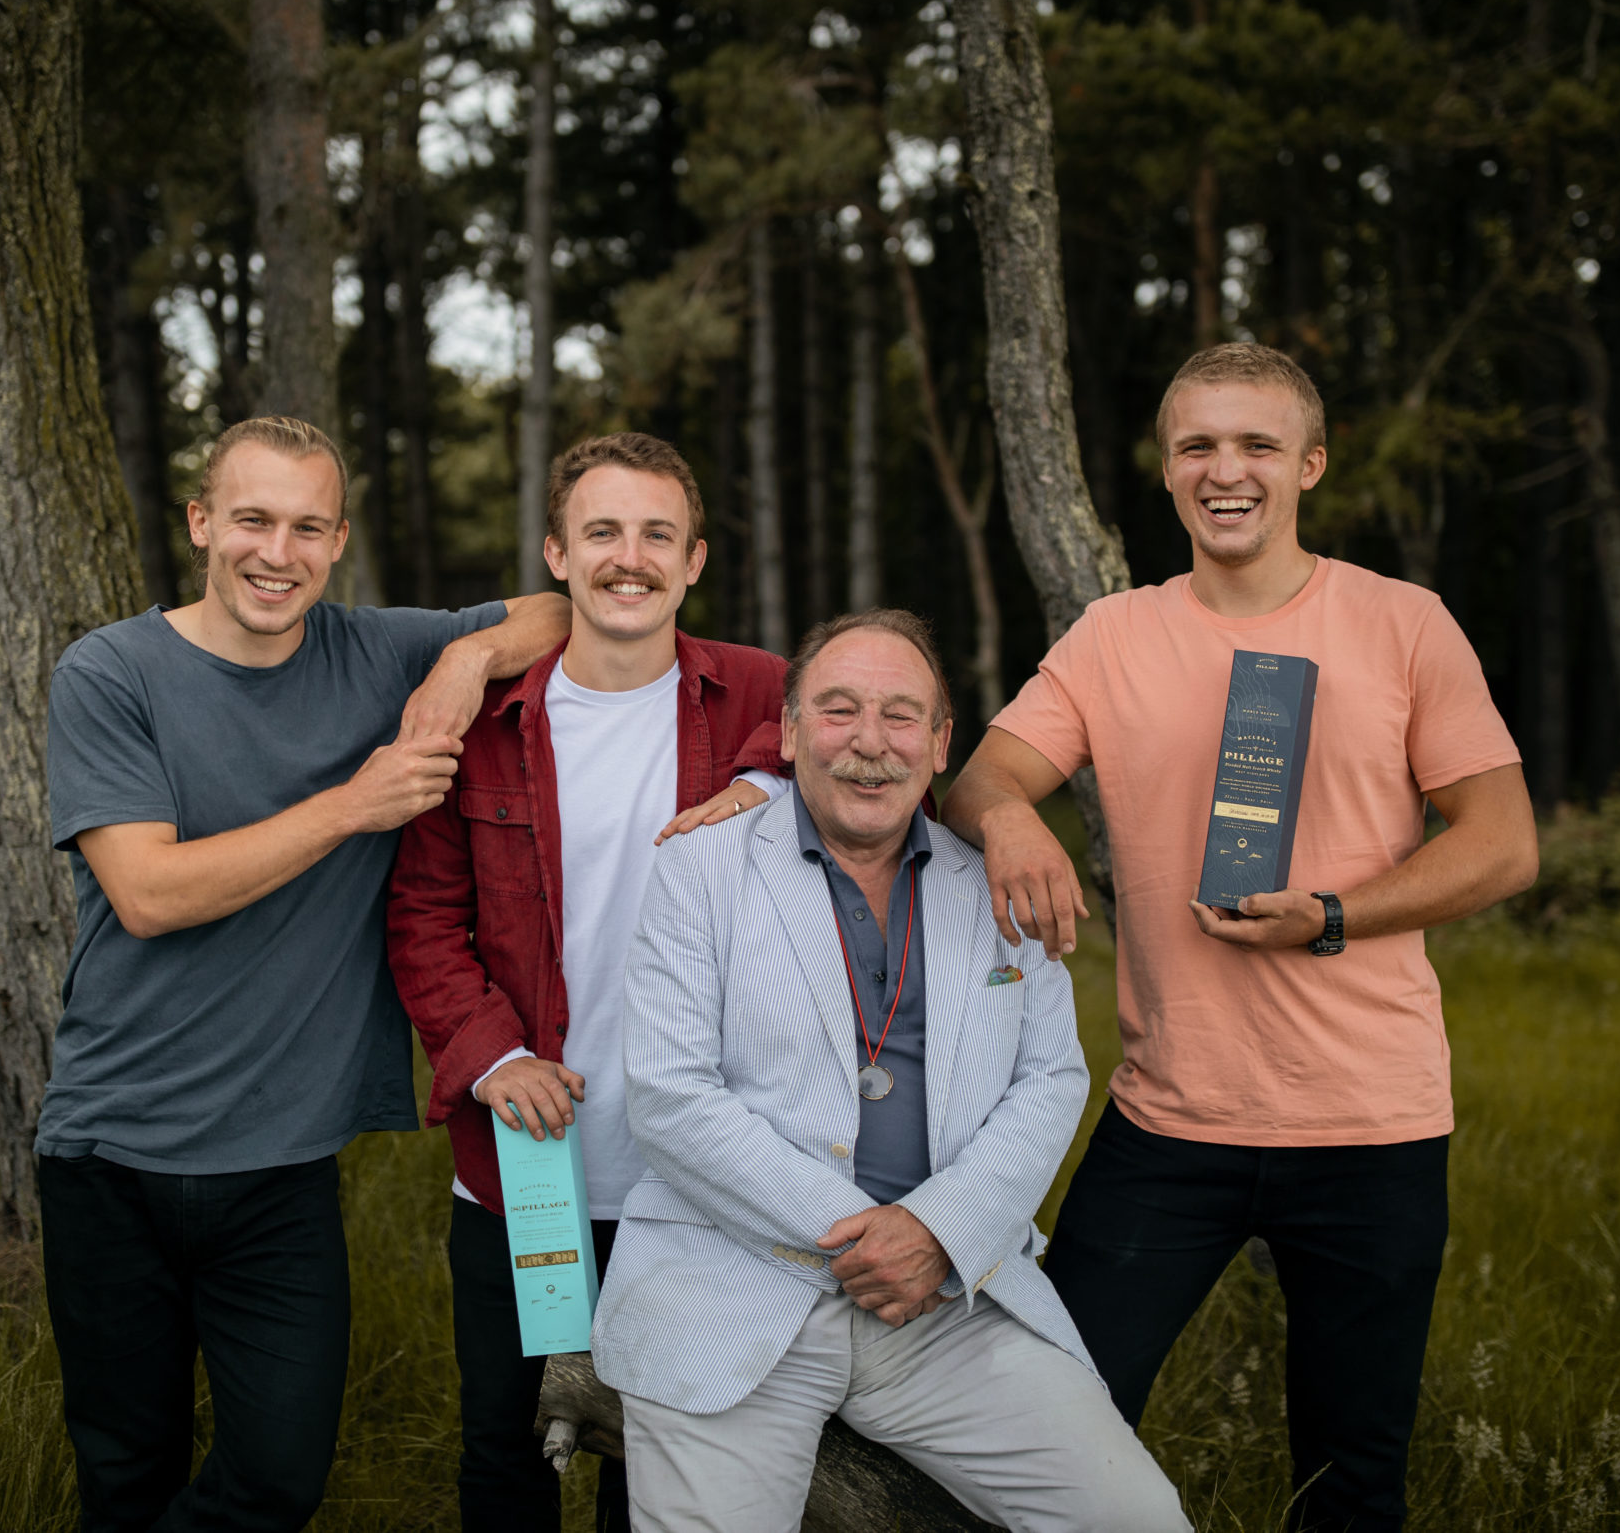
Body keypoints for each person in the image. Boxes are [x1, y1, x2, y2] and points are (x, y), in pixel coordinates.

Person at [943, 342, 1541, 1533]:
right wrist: (1011, 821)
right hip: (1169, 1121)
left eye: (1257, 445)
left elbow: (1504, 842)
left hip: (1372, 1119)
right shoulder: (1113, 634)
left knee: (1351, 1468)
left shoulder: (1402, 622)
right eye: (1197, 447)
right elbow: (982, 780)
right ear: (1166, 473)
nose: (1227, 470)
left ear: (1309, 466)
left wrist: (1333, 915)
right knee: (1053, 1421)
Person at [38, 415, 570, 1533]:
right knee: (124, 1471)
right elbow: (150, 894)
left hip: (282, 1166)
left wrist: (463, 660)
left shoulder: (376, 652)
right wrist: (355, 806)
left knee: (278, 1477)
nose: (276, 552)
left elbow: (556, 611)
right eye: (252, 520)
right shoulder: (111, 672)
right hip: (113, 1155)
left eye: (306, 528)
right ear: (201, 524)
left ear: (336, 545)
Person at [595, 610, 1190, 1533]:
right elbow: (673, 1095)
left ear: (943, 743)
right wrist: (875, 1234)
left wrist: (936, 1231)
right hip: (733, 1282)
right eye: (837, 710)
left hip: (942, 1305)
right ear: (789, 732)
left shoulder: (998, 882)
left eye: (902, 716)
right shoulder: (698, 869)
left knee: (1138, 1519)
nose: (870, 742)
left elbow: (1052, 1080)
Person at [386, 432, 789, 1532]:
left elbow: (880, 745)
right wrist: (491, 1057)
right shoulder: (485, 725)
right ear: (556, 557)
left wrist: (772, 781)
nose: (630, 557)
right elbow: (422, 915)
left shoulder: (760, 692)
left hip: (695, 1172)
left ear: (694, 559)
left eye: (657, 533)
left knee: (659, 1456)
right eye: (602, 532)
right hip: (527, 1160)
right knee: (507, 1448)